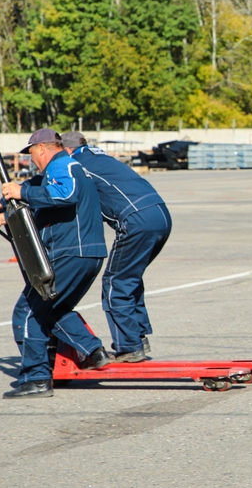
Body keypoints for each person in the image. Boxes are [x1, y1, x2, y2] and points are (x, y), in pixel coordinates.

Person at [0, 128, 112, 399]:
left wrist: (21, 191)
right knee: (53, 309)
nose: (31, 159)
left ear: (41, 148)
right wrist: (3, 217)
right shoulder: (55, 172)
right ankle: (93, 351)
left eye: (31, 153)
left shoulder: (62, 164)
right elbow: (49, 207)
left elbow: (65, 194)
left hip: (71, 252)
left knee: (27, 311)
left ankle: (37, 377)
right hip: (83, 252)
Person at [60, 132, 172, 362]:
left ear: (67, 150)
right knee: (129, 277)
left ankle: (130, 346)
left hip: (137, 219)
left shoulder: (75, 164)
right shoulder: (100, 158)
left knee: (115, 282)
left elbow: (62, 194)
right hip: (160, 213)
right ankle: (138, 336)